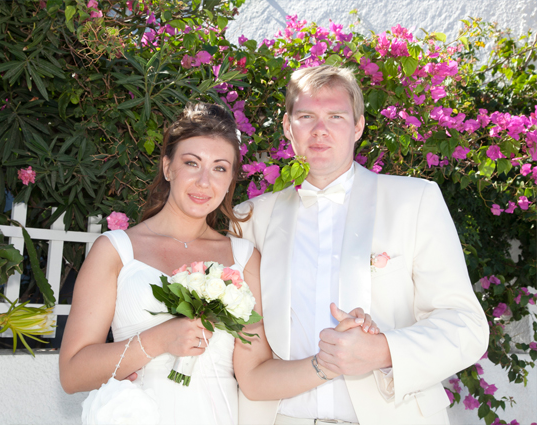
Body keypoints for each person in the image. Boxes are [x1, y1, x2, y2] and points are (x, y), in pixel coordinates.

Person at [59, 102, 379, 425]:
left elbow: (254, 378)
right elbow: (72, 373)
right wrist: (158, 340)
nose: (204, 181)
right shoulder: (115, 251)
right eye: (191, 163)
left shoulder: (243, 258)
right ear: (168, 167)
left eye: (220, 168)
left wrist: (328, 362)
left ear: (231, 180)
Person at [234, 65, 490, 425]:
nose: (320, 130)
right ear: (288, 128)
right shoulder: (247, 220)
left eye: (335, 116)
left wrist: (383, 350)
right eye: (306, 116)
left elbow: (466, 325)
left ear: (358, 126)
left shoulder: (415, 201)